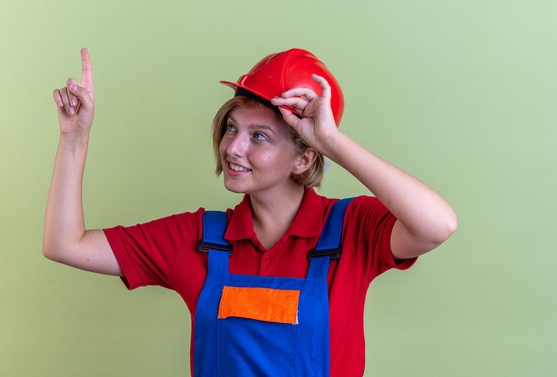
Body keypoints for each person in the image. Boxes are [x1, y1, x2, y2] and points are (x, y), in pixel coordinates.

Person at [44, 47, 457, 377]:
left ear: (303, 158)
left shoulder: (352, 230)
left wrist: (332, 141)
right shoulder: (198, 238)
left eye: (258, 136)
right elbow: (65, 244)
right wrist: (74, 139)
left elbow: (438, 224)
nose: (233, 148)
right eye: (231, 128)